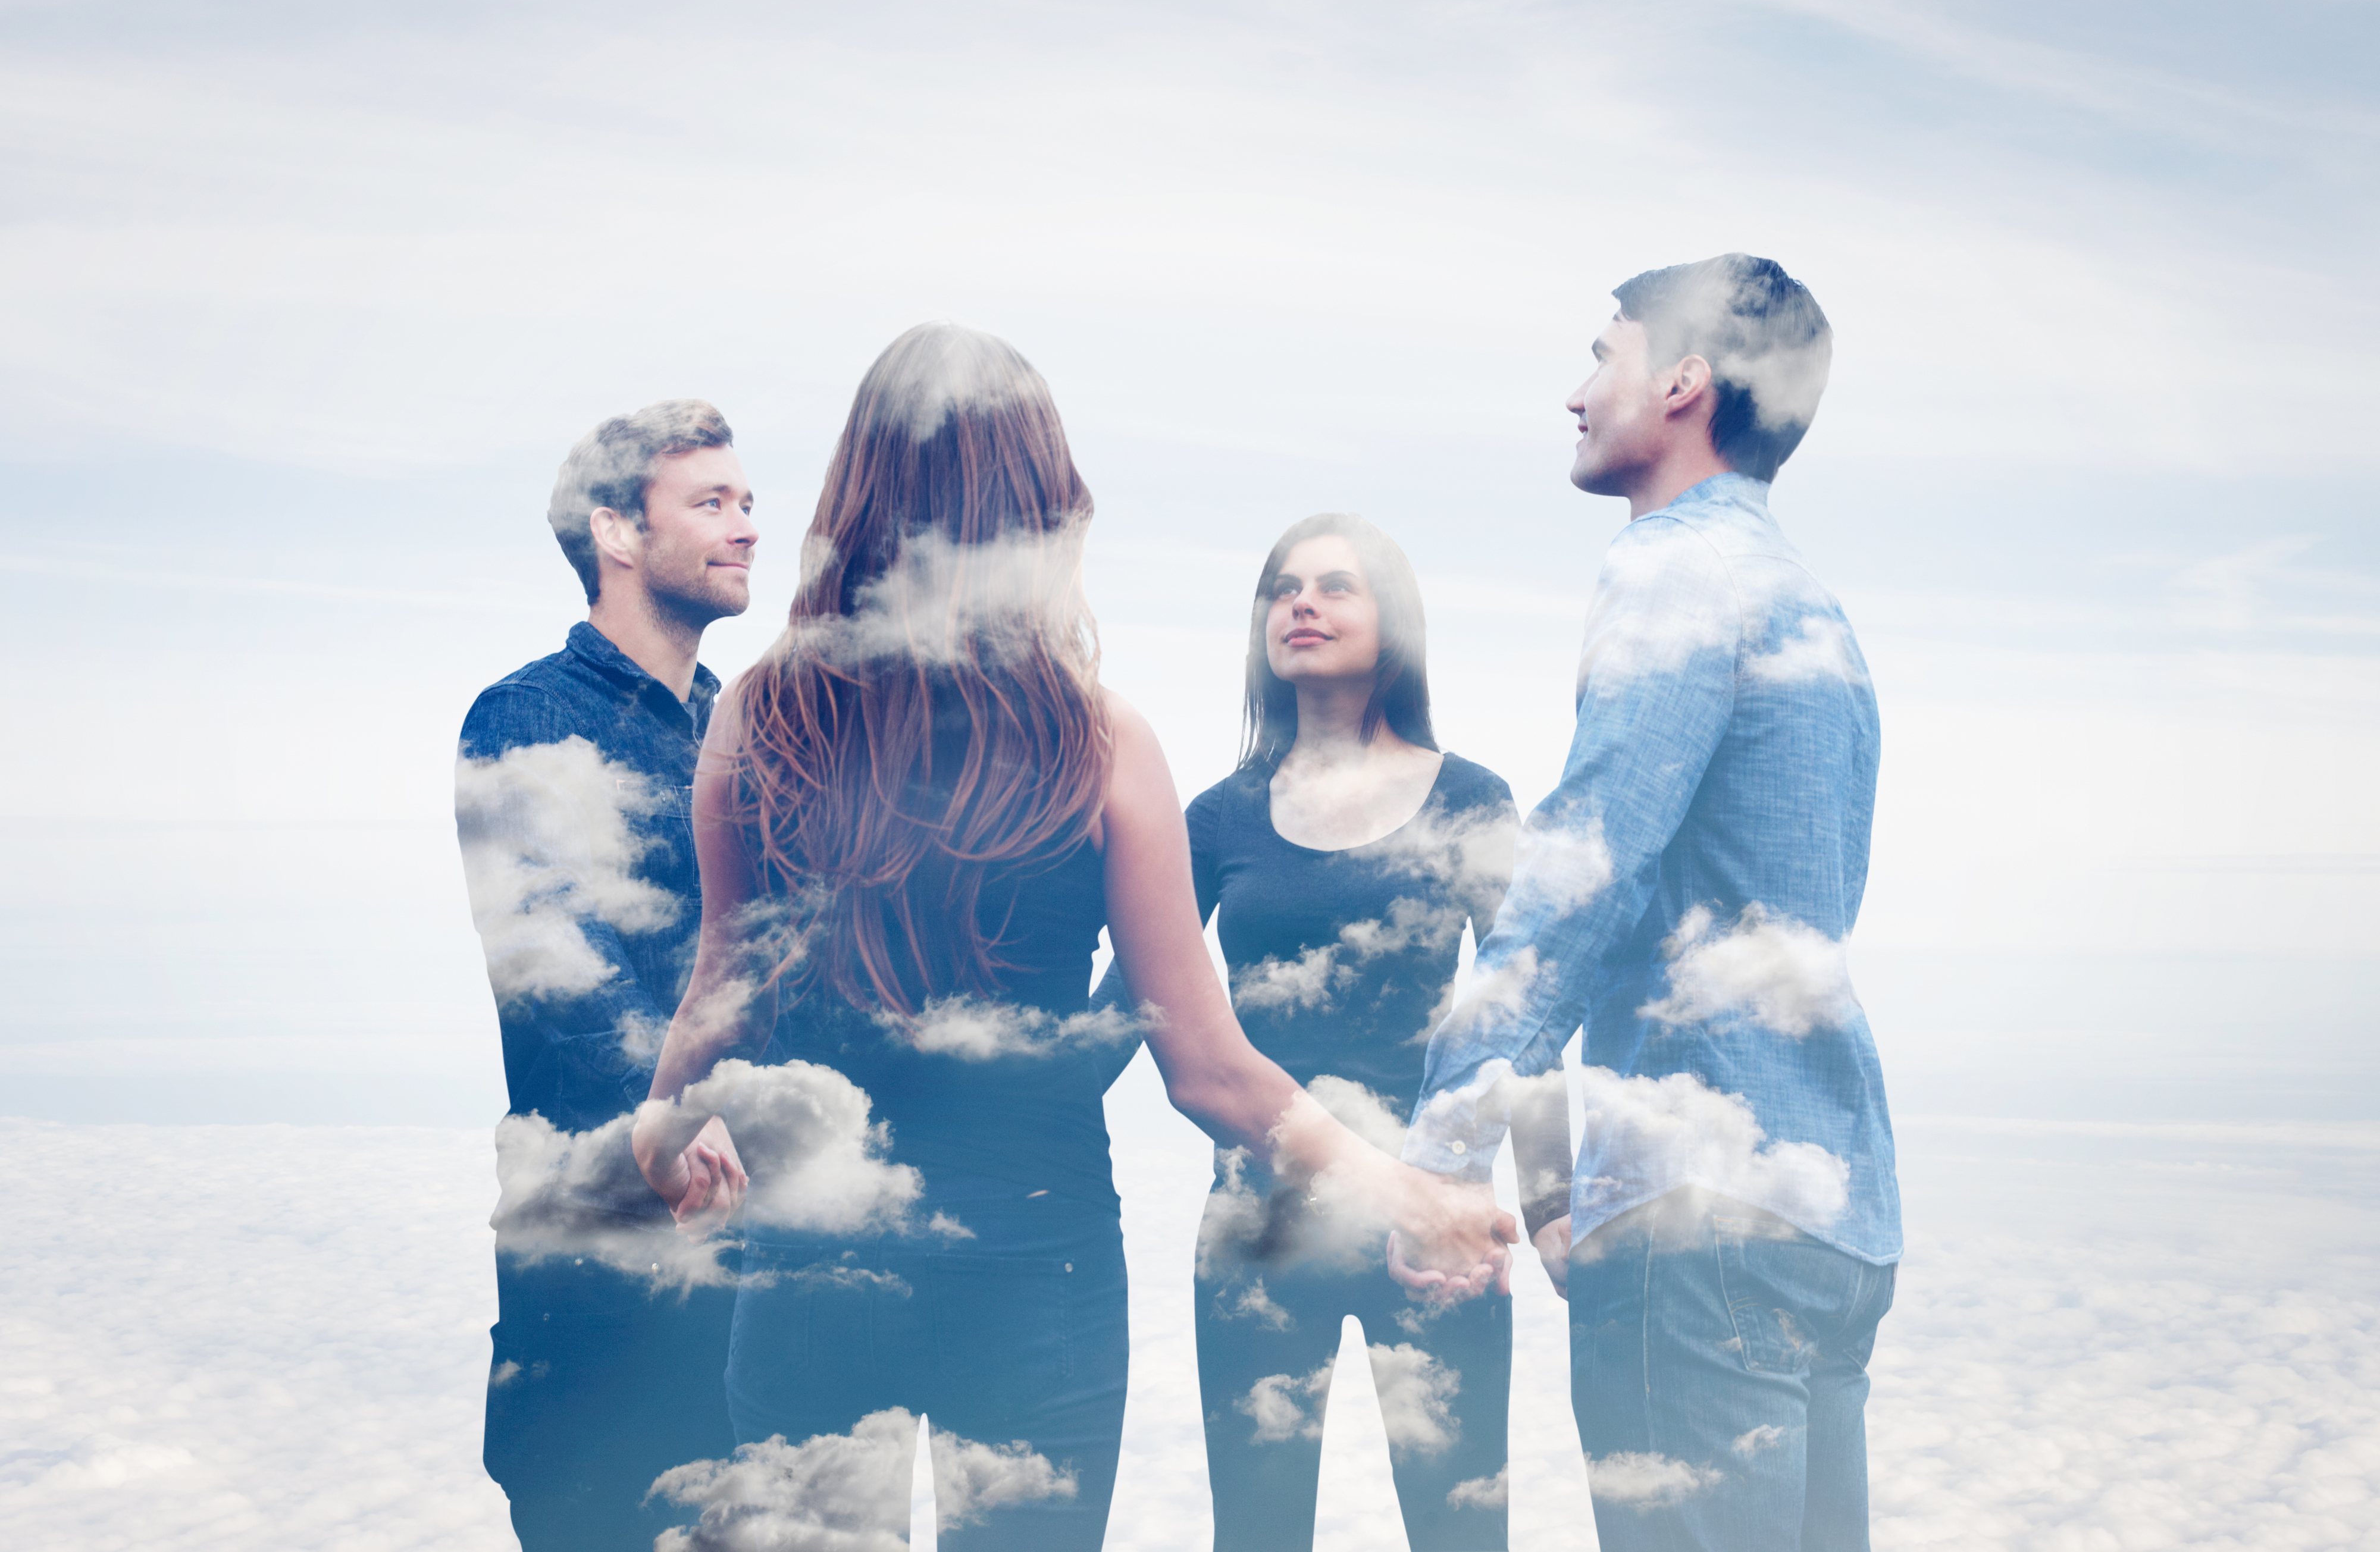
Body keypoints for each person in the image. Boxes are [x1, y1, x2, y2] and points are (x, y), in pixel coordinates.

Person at [631, 324, 1515, 1552]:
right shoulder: (1097, 741)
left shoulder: (758, 714)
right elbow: (1204, 1065)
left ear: (856, 500)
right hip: (1034, 1272)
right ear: (1039, 509)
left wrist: (666, 1133)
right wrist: (1405, 1191)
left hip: (807, 1273)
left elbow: (714, 998)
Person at [1398, 255, 1900, 1551]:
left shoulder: (1671, 574)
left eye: (1601, 357)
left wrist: (1444, 1147)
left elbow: (1587, 867)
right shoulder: (1814, 607)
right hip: (1829, 1208)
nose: (1576, 394)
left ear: (1681, 382)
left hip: (1698, 1217)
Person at [1180, 512, 1573, 1551]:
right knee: (1255, 1538)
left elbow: (1523, 1015)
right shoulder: (1218, 818)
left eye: (1334, 586)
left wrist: (1552, 1206)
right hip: (1258, 1229)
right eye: (1282, 587)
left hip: (1433, 1228)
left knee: (1460, 1534)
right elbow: (1145, 1007)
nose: (1300, 603)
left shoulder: (1473, 799)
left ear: (1394, 621)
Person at [453, 400, 757, 1550]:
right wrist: (679, 1115)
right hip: (596, 1300)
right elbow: (557, 963)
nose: (745, 528)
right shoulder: (527, 716)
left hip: (743, 1297)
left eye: (747, 503)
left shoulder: (742, 730)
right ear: (618, 533)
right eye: (712, 502)